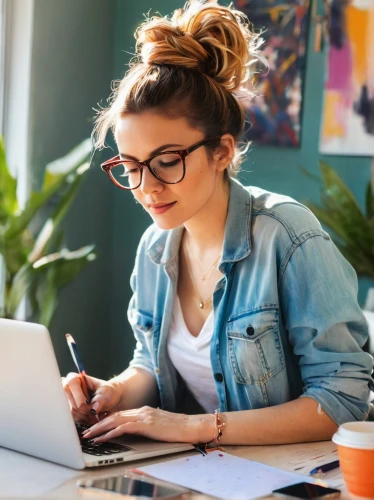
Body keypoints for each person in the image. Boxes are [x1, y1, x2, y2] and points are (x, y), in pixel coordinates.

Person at [63, 0, 373, 447]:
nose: (146, 187)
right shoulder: (155, 248)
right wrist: (111, 392)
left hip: (290, 477)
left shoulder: (288, 238)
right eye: (130, 167)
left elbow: (343, 399)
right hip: (200, 474)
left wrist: (192, 426)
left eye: (167, 162)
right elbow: (151, 365)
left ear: (223, 151)